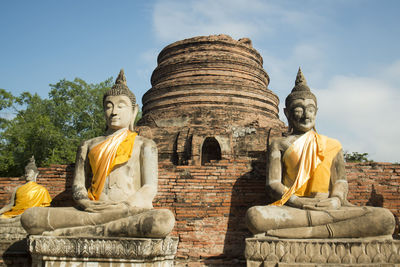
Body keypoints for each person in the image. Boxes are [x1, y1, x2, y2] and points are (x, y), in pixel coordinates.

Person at [21, 70, 175, 238]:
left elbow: (149, 188)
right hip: (91, 211)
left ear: (134, 111)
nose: (114, 111)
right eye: (109, 106)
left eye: (121, 106)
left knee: (162, 220)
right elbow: (78, 185)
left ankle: (72, 232)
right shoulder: (88, 145)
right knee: (31, 217)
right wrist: (86, 203)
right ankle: (100, 229)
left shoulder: (145, 145)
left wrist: (124, 206)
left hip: (128, 210)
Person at [245, 68, 395, 239]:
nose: (305, 114)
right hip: (293, 208)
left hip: (330, 208)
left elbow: (340, 181)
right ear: (287, 113)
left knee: (384, 219)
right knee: (255, 216)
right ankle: (323, 232)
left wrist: (336, 200)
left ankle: (303, 233)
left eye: (310, 109)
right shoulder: (279, 144)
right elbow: (273, 184)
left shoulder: (332, 144)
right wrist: (298, 201)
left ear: (316, 111)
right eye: (299, 109)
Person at [0, 156, 51, 224]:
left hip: (31, 214)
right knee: (2, 218)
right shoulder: (18, 188)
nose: (26, 175)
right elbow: (11, 205)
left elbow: (44, 209)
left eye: (29, 173)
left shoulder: (42, 190)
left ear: (36, 174)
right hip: (15, 213)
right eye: (26, 173)